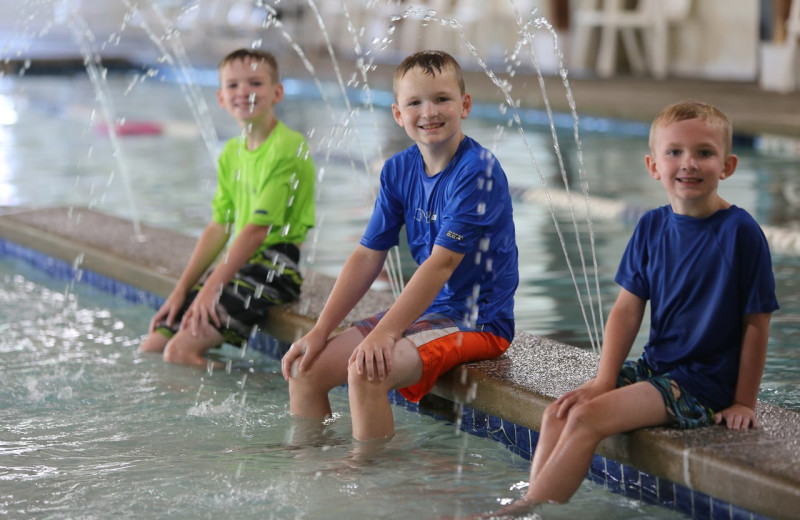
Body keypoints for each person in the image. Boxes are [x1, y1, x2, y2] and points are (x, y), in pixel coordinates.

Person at [489, 100, 779, 515]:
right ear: (653, 165)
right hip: (657, 369)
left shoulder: (740, 233)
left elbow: (757, 323)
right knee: (562, 411)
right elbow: (627, 310)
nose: (688, 164)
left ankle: (523, 510)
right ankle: (537, 497)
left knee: (588, 420)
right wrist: (603, 379)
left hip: (701, 386)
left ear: (728, 165)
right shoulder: (651, 226)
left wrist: (744, 403)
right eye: (674, 152)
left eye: (704, 152)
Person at [280, 50, 519, 442]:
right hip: (426, 313)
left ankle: (371, 485)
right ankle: (311, 477)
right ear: (397, 114)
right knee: (305, 371)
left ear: (465, 104)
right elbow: (367, 255)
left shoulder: (478, 171)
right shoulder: (398, 170)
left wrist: (386, 334)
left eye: (442, 98)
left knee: (366, 371)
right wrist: (319, 332)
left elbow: (441, 265)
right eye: (415, 102)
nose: (429, 111)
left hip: (477, 322)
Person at [138, 48, 316, 369]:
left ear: (277, 92)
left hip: (276, 269)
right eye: (233, 85)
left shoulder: (288, 147)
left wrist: (212, 287)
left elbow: (256, 231)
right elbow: (218, 227)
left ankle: (255, 390)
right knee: (152, 345)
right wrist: (182, 290)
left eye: (255, 83)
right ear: (221, 98)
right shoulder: (231, 152)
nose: (243, 91)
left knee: (178, 354)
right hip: (239, 265)